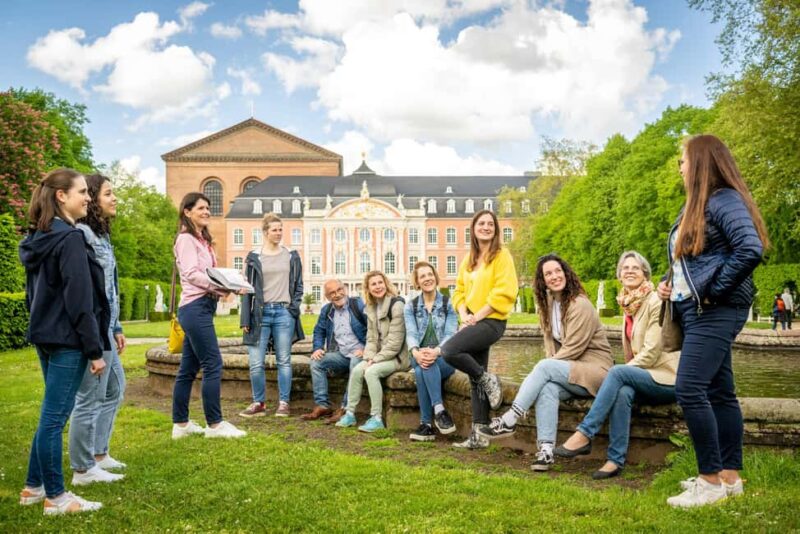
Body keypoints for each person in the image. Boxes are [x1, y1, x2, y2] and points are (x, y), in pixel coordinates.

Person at [658, 134, 767, 508]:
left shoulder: (723, 200)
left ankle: (709, 481)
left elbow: (750, 249)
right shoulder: (698, 204)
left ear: (702, 162)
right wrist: (670, 284)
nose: (680, 166)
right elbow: (693, 261)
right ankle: (728, 478)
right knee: (720, 392)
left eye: (684, 160)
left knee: (689, 389)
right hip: (697, 309)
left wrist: (713, 291)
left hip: (716, 309)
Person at [18, 168, 109, 514]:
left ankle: (32, 487)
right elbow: (79, 299)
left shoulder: (39, 236)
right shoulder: (69, 238)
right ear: (61, 196)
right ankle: (56, 497)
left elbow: (33, 296)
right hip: (68, 339)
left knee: (49, 416)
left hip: (45, 334)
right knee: (54, 419)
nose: (88, 197)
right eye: (82, 192)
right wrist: (94, 349)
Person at [477, 254, 612, 472]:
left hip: (596, 372)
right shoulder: (549, 305)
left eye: (558, 271)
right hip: (572, 371)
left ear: (566, 272)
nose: (554, 276)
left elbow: (573, 349)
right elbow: (551, 346)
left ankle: (511, 418)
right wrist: (546, 370)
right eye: (548, 273)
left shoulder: (580, 304)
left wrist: (546, 367)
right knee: (547, 389)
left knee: (543, 367)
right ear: (542, 280)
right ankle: (546, 451)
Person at [554, 251, 679, 479]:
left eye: (635, 268)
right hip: (646, 375)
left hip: (667, 378)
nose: (629, 271)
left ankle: (584, 433)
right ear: (619, 277)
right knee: (622, 391)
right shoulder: (630, 305)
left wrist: (621, 372)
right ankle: (614, 460)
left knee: (618, 373)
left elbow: (651, 353)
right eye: (625, 268)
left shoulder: (655, 301)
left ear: (645, 274)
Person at [439, 210, 517, 449]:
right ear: (473, 228)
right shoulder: (469, 259)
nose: (486, 227)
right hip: (472, 319)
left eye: (490, 224)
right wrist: (464, 314)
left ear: (496, 229)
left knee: (449, 350)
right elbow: (459, 291)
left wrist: (476, 317)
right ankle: (479, 435)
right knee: (475, 379)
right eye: (481, 223)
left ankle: (489, 379)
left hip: (491, 321)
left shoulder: (502, 256)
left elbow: (504, 291)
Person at [172, 192, 246, 439]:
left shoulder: (202, 240)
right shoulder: (186, 240)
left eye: (208, 208)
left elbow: (210, 272)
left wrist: (231, 283)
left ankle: (180, 425)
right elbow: (192, 274)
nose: (206, 212)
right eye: (201, 208)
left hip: (202, 307)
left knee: (188, 368)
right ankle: (215, 424)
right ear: (187, 211)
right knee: (213, 363)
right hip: (195, 307)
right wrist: (222, 287)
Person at [69, 174, 127, 486]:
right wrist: (96, 333)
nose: (114, 198)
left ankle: (99, 454)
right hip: (93, 329)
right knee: (88, 399)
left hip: (107, 328)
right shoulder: (82, 236)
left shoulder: (102, 236)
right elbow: (87, 292)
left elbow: (110, 288)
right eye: (108, 193)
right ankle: (82, 468)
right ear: (93, 198)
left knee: (116, 390)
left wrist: (116, 326)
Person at [239, 213, 304, 418]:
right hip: (260, 313)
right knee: (256, 363)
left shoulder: (291, 255)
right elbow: (246, 289)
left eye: (280, 229)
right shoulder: (253, 257)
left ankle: (284, 403)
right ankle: (259, 402)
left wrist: (293, 309)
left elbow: (299, 286)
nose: (278, 233)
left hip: (284, 313)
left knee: (283, 361)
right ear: (265, 232)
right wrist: (245, 319)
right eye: (274, 230)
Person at [336, 271, 408, 432]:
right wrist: (369, 357)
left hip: (398, 358)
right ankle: (349, 414)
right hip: (378, 356)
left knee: (371, 372)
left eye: (380, 282)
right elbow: (371, 339)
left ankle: (376, 418)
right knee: (356, 370)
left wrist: (374, 361)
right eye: (373, 284)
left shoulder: (397, 305)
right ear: (368, 289)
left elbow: (395, 344)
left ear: (386, 284)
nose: (377, 287)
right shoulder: (371, 307)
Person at [404, 261, 458, 441]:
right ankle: (440, 410)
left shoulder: (447, 304)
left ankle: (426, 425)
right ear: (417, 282)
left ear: (435, 277)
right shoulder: (410, 306)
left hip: (444, 357)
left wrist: (437, 351)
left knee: (421, 370)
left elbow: (451, 333)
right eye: (422, 276)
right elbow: (411, 333)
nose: (427, 278)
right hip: (418, 355)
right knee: (422, 364)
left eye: (430, 274)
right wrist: (416, 352)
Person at [300, 279, 367, 422]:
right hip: (342, 354)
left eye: (339, 290)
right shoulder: (327, 310)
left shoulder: (358, 305)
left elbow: (373, 329)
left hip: (361, 353)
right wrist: (317, 348)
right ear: (327, 297)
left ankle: (345, 409)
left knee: (355, 362)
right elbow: (319, 331)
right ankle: (323, 405)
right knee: (316, 362)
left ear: (345, 289)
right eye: (332, 293)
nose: (337, 295)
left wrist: (366, 349)